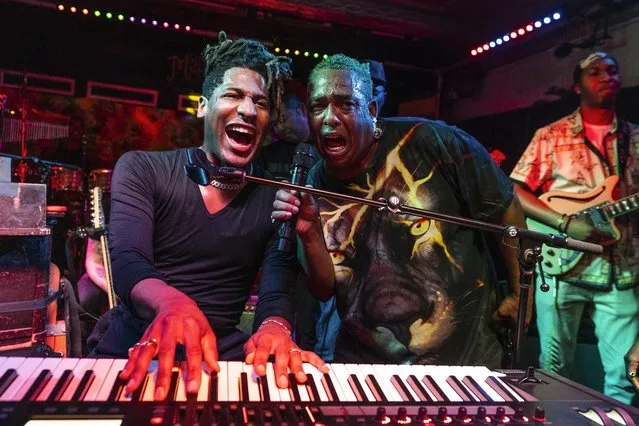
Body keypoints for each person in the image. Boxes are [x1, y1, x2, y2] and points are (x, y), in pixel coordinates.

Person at [88, 32, 326, 401]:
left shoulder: (273, 196)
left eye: (260, 102)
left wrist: (275, 327)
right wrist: (173, 303)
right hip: (133, 346)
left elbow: (277, 285)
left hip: (220, 357)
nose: (248, 110)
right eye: (233, 95)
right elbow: (128, 262)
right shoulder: (142, 168)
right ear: (203, 106)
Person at [272, 54, 528, 367]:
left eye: (345, 105)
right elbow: (324, 288)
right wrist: (309, 231)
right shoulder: (315, 180)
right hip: (365, 364)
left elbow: (506, 209)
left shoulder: (434, 142)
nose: (329, 118)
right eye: (317, 106)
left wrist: (520, 295)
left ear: (371, 110)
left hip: (465, 361)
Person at [510, 52, 639, 406]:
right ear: (577, 85)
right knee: (554, 371)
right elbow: (515, 191)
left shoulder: (635, 138)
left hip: (621, 271)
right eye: (595, 71)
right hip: (560, 269)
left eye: (613, 70)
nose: (606, 76)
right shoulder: (551, 135)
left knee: (626, 377)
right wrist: (565, 224)